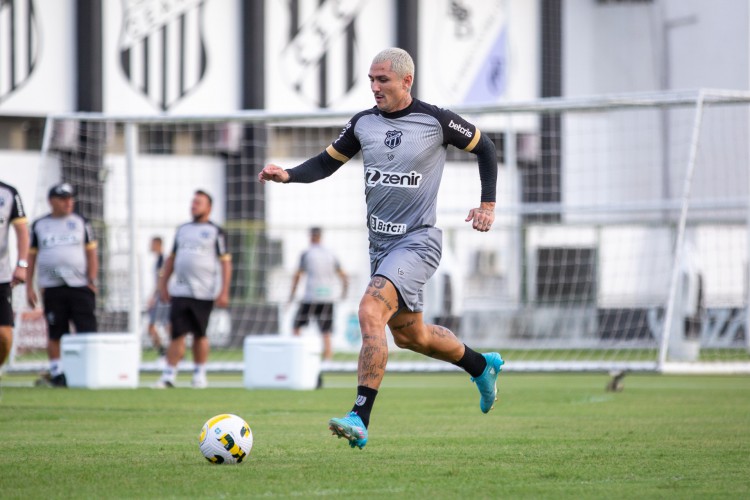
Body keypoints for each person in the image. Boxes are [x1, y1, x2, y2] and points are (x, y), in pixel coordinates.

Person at [259, 47, 504, 450]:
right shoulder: (363, 124)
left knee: (369, 310)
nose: (374, 87)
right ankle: (481, 365)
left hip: (418, 243)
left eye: (383, 80)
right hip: (381, 247)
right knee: (413, 337)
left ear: (407, 81)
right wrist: (287, 175)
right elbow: (326, 163)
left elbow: (487, 148)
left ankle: (359, 415)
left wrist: (488, 205)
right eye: (371, 79)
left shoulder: (436, 121)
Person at [156, 190, 232, 389]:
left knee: (200, 334)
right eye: (193, 202)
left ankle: (199, 374)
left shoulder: (216, 232)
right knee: (176, 333)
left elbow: (225, 263)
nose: (194, 205)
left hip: (203, 292)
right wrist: (163, 284)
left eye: (199, 202)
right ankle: (169, 375)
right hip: (180, 291)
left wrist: (224, 291)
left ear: (209, 207)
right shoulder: (182, 230)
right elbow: (172, 258)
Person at [27, 182, 98, 388]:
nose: (68, 202)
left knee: (86, 330)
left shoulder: (80, 222)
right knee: (55, 330)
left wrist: (91, 280)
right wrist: (29, 286)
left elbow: (91, 254)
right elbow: (31, 257)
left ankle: (89, 369)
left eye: (70, 198)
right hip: (52, 287)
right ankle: (58, 372)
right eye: (63, 198)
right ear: (51, 201)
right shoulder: (39, 225)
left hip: (79, 286)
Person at [289, 227, 348, 361]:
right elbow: (344, 276)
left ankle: (297, 356)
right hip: (327, 298)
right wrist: (344, 292)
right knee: (326, 331)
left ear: (311, 237)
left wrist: (291, 295)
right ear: (321, 237)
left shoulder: (307, 253)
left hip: (310, 298)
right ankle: (328, 360)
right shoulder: (331, 254)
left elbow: (297, 276)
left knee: (296, 327)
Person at [0, 181, 29, 387]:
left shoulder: (9, 193)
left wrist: (22, 264)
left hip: (1, 276)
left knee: (4, 335)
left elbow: (22, 231)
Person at [146, 236, 169, 357]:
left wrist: (154, 297)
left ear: (158, 244)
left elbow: (161, 279)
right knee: (166, 325)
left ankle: (166, 354)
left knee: (152, 327)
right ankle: (172, 354)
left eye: (152, 244)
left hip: (162, 298)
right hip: (163, 297)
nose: (150, 246)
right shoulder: (159, 260)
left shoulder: (162, 260)